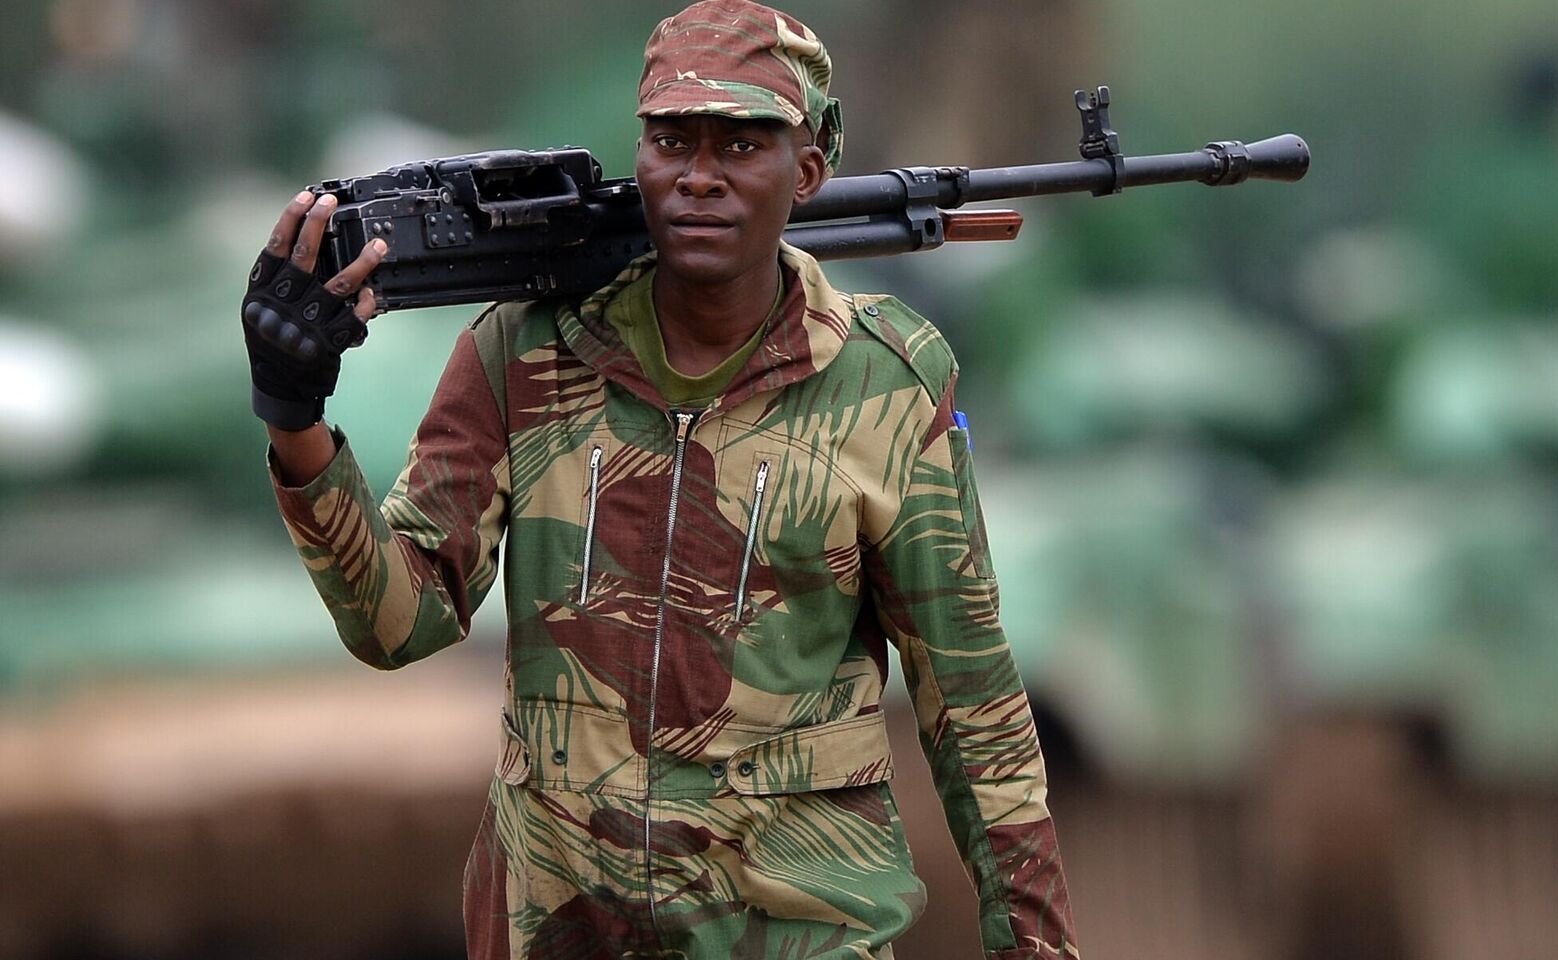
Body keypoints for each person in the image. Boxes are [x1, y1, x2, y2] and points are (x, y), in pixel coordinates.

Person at [238, 2, 1078, 958]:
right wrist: (294, 418)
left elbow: (973, 711)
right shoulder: (525, 351)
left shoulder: (887, 383)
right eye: (672, 139)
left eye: (742, 143)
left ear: (805, 170)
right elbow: (403, 619)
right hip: (560, 929)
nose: (700, 177)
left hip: (792, 933)